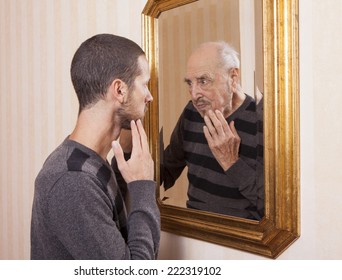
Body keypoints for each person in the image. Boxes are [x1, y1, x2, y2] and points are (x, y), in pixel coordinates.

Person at [30, 34, 160, 259]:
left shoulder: (86, 163)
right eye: (145, 84)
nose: (149, 97)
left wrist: (125, 161)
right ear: (119, 90)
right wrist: (142, 186)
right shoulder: (73, 179)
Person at [162, 41, 264, 220]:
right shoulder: (191, 113)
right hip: (197, 236)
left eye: (203, 81)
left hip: (243, 242)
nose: (194, 94)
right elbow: (166, 170)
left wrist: (231, 162)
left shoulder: (261, 120)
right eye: (190, 83)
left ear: (233, 78)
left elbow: (273, 206)